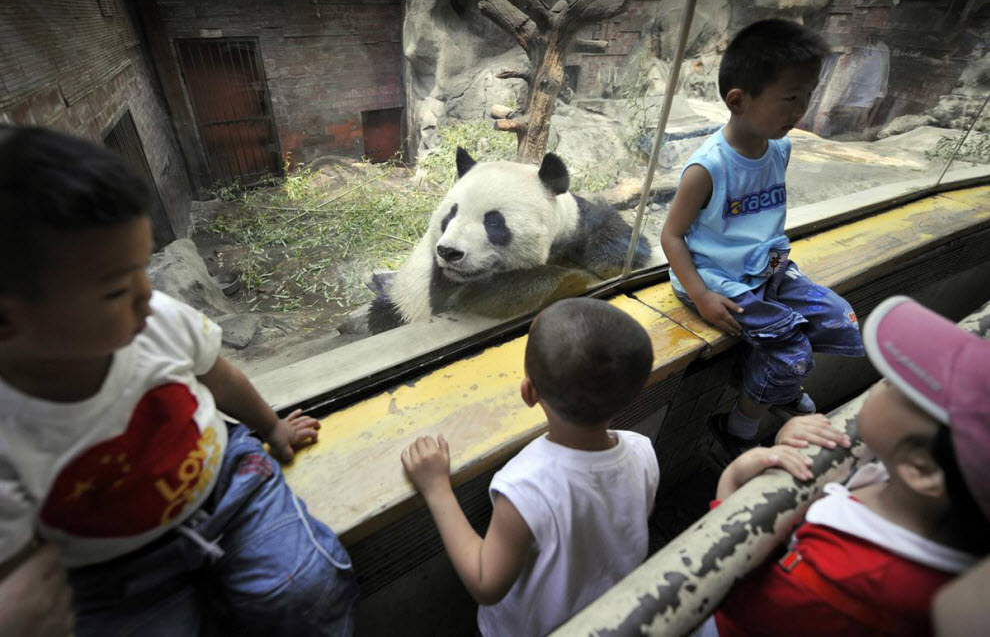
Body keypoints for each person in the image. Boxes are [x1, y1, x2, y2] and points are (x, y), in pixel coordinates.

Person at [0, 126, 358, 636]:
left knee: (304, 591)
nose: (150, 295)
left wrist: (271, 427)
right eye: (118, 288)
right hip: (111, 570)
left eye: (143, 267)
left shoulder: (159, 319)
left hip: (227, 490)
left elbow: (223, 379)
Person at [708, 296, 990, 636]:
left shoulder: (836, 580)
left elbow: (731, 600)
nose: (880, 381)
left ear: (921, 469)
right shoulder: (932, 492)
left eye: (893, 386)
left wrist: (732, 486)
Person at [660, 19, 864, 455]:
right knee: (791, 351)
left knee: (839, 316)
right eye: (791, 98)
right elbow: (672, 237)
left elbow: (759, 225)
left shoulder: (780, 147)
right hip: (716, 280)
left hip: (768, 269)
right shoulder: (707, 168)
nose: (800, 111)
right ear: (738, 100)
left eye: (807, 96)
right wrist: (700, 296)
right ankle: (737, 429)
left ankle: (773, 384)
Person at [401, 297, 659, 636]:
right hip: (611, 616)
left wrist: (436, 488)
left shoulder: (527, 487)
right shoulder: (643, 450)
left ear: (528, 392)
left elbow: (485, 583)